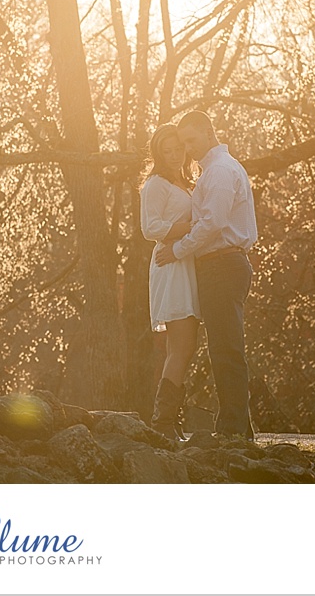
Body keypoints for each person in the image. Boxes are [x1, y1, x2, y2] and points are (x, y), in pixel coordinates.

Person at [154, 110, 258, 439]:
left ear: (208, 133)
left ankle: (232, 430)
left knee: (226, 349)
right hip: (217, 266)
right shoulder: (212, 170)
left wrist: (178, 249)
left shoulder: (220, 171)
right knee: (224, 348)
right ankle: (240, 429)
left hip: (223, 264)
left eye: (190, 140)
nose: (187, 148)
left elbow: (212, 224)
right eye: (183, 142)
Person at [140, 125, 201, 440]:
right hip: (169, 265)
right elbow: (151, 228)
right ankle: (163, 422)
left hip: (186, 262)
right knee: (181, 346)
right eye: (167, 150)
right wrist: (192, 226)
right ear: (159, 154)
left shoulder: (187, 182)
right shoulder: (156, 185)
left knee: (185, 347)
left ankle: (169, 420)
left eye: (178, 147)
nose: (175, 154)